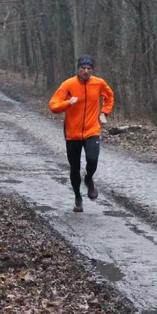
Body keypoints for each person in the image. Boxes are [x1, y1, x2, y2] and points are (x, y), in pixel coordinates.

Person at [48, 54, 114, 212]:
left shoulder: (99, 83)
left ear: (92, 70)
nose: (86, 71)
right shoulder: (68, 84)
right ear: (78, 69)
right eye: (83, 68)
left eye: (89, 69)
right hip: (72, 132)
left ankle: (89, 178)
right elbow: (53, 106)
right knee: (74, 167)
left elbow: (109, 96)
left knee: (93, 159)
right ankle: (78, 196)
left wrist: (104, 112)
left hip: (92, 129)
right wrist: (67, 103)